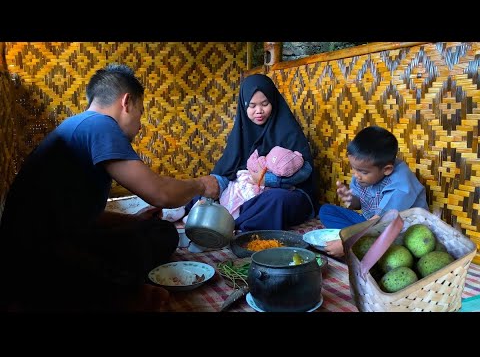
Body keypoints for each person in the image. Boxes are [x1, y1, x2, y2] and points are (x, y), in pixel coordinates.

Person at [0, 64, 219, 312]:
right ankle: (117, 295)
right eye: (140, 113)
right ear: (127, 102)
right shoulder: (100, 125)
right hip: (38, 262)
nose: (139, 125)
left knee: (156, 230)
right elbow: (161, 193)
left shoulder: (78, 125)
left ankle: (110, 290)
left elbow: (74, 216)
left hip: (27, 256)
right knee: (148, 242)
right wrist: (200, 184)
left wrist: (132, 219)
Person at [186, 74, 317, 232]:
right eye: (252, 105)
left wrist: (267, 180)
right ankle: (202, 217)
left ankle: (231, 226)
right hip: (244, 191)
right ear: (243, 106)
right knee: (201, 190)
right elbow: (227, 171)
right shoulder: (241, 134)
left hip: (288, 193)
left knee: (276, 200)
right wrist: (211, 189)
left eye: (264, 104)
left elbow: (305, 172)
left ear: (273, 102)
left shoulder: (288, 131)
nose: (259, 111)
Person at [318, 126, 429, 258]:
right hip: (372, 223)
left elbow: (382, 221)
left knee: (364, 241)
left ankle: (358, 246)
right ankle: (362, 244)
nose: (357, 175)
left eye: (363, 172)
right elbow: (359, 204)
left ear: (387, 169)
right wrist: (350, 199)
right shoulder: (364, 172)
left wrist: (347, 243)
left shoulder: (401, 185)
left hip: (402, 233)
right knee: (326, 211)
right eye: (354, 169)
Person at [219, 146, 305, 219]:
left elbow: (305, 171)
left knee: (276, 198)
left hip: (279, 196)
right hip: (249, 186)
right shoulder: (241, 131)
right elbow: (228, 169)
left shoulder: (290, 132)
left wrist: (267, 179)